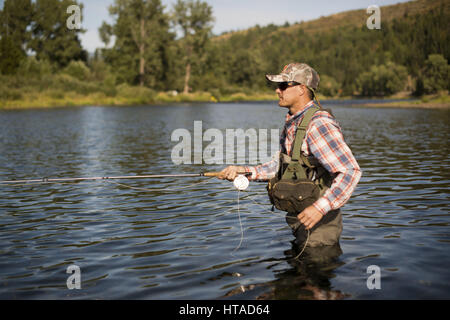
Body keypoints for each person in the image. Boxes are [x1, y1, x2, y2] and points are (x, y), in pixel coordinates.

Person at [218, 63, 362, 248]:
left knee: (315, 271)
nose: (277, 90)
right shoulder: (294, 123)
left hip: (320, 228)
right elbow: (280, 168)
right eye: (277, 86)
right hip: (300, 222)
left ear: (302, 89)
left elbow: (350, 171)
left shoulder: (319, 124)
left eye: (284, 86)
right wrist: (242, 171)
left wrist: (320, 208)